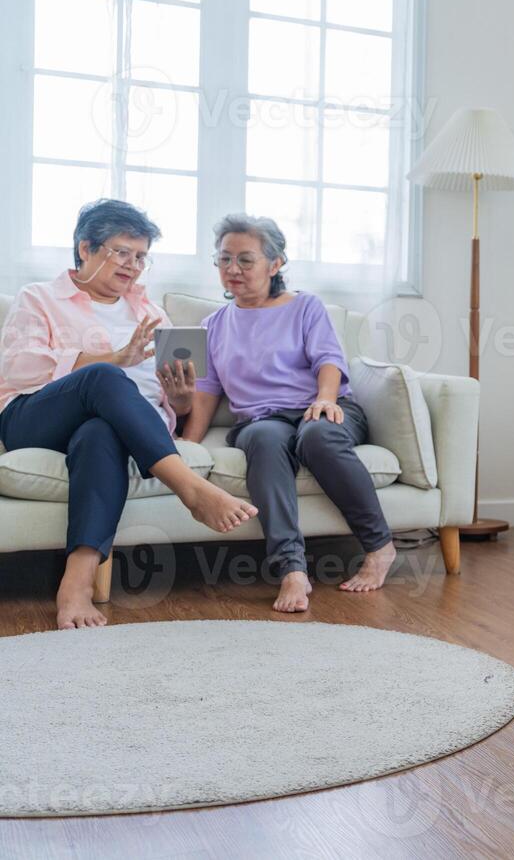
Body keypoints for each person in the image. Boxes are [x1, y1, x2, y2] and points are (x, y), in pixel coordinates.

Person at [0, 199, 258, 629]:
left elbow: (165, 403)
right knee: (103, 377)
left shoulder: (151, 313)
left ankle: (77, 584)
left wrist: (179, 400)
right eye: (122, 252)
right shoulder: (38, 298)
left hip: (114, 426)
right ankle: (190, 489)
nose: (133, 265)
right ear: (86, 248)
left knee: (101, 432)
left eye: (141, 257)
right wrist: (113, 357)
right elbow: (19, 368)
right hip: (35, 418)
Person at [179, 215, 395, 613]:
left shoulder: (306, 306)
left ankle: (380, 547)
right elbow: (207, 393)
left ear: (275, 264)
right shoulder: (212, 326)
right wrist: (186, 446)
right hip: (263, 421)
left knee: (317, 435)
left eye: (245, 260)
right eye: (224, 259)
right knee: (263, 438)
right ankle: (292, 570)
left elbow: (329, 359)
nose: (232, 270)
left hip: (324, 406)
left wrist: (326, 399)